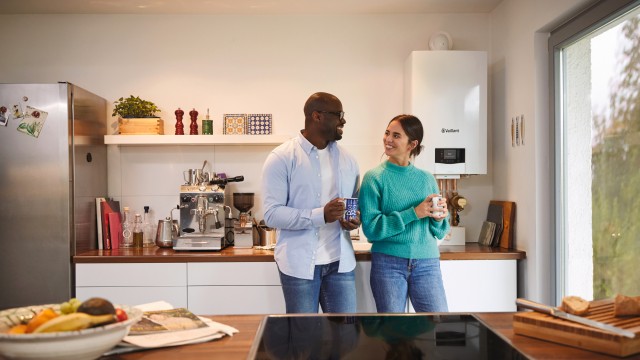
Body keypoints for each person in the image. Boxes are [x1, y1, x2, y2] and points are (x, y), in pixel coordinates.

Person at [261, 92, 361, 313]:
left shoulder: (349, 160)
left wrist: (353, 219)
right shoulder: (281, 158)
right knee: (303, 340)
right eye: (338, 115)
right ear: (317, 116)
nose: (343, 120)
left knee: (346, 339)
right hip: (299, 266)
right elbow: (271, 214)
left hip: (341, 264)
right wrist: (321, 215)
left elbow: (353, 202)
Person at [359, 114, 450, 313]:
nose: (388, 139)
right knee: (394, 335)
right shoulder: (373, 178)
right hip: (388, 263)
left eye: (396, 135)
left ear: (412, 144)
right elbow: (371, 229)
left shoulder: (427, 179)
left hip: (427, 263)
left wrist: (440, 216)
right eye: (387, 133)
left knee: (437, 326)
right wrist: (414, 213)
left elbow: (440, 231)